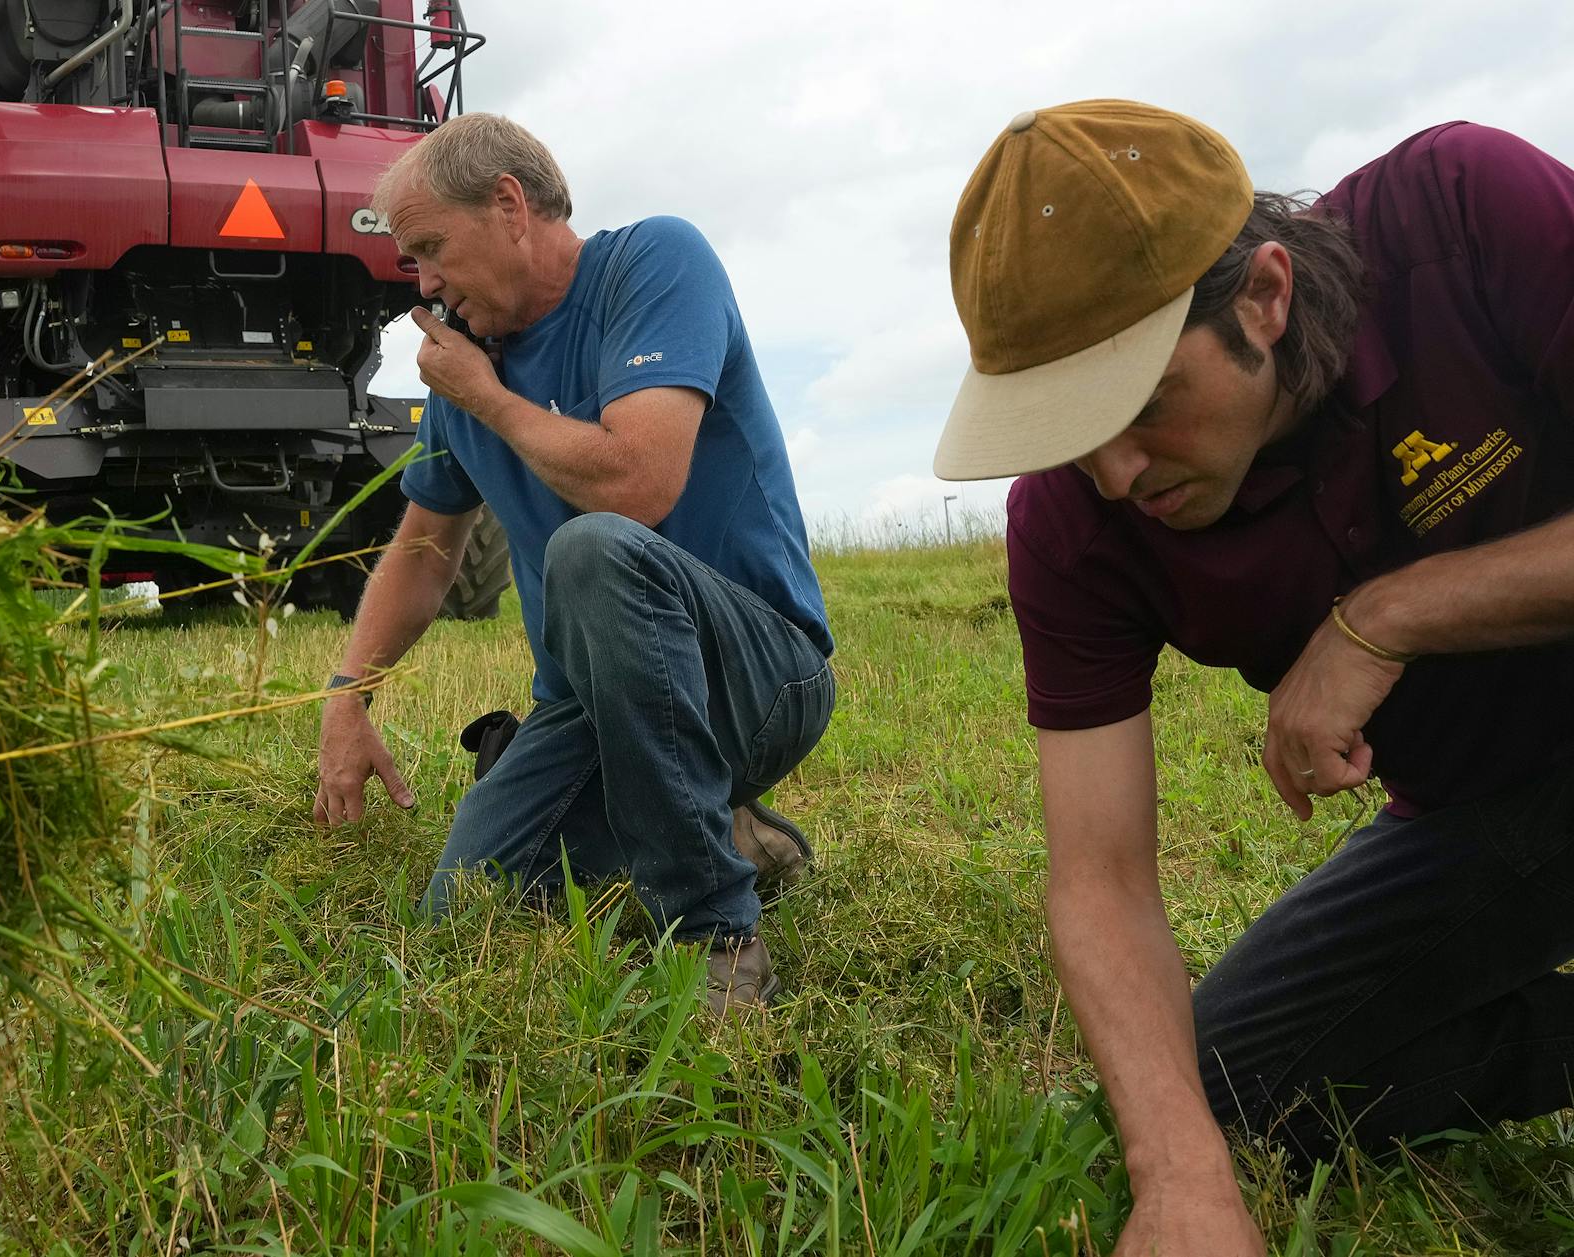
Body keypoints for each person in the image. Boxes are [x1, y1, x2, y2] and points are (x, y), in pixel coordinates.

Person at [934, 98, 1574, 1254]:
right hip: (1494, 817)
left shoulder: (1468, 215)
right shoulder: (1073, 522)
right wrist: (1179, 1177)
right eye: (1067, 429)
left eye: (1137, 406)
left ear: (1264, 297)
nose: (1115, 473)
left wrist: (1388, 617)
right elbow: (1099, 880)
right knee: (1229, 1090)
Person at [312, 113, 835, 1015]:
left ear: (510, 206)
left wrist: (492, 398)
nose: (425, 282)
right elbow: (427, 549)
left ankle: (715, 927)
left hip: (761, 678)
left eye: (431, 248)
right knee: (463, 907)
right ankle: (726, 831)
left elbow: (638, 483)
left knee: (591, 550)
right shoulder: (471, 371)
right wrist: (347, 693)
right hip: (592, 706)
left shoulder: (655, 264)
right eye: (412, 262)